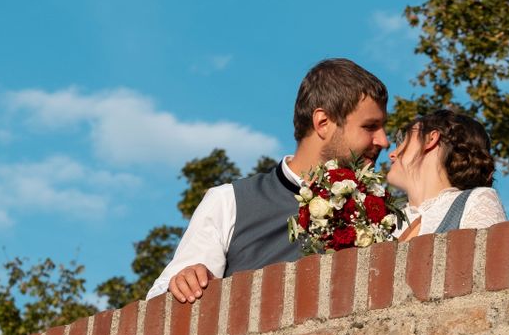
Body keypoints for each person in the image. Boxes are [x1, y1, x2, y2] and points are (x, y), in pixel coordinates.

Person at [147, 58, 390, 303]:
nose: (384, 140)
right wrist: (184, 280)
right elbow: (162, 305)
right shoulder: (230, 202)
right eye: (370, 126)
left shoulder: (380, 212)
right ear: (323, 123)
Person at [387, 109, 506, 240]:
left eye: (403, 140)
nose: (392, 154)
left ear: (431, 139)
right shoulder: (387, 220)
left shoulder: (475, 202)